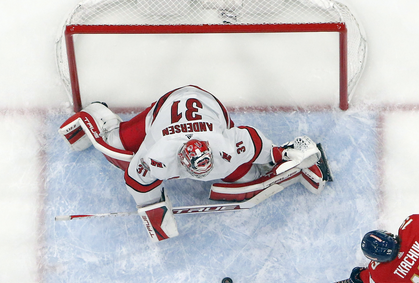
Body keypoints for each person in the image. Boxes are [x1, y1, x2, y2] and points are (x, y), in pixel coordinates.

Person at [58, 85, 330, 242]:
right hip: (166, 110)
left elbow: (255, 143)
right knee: (115, 149)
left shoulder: (226, 146)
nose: (207, 173)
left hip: (207, 105)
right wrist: (153, 209)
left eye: (208, 167)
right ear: (181, 162)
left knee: (247, 182)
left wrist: (283, 155)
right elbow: (135, 178)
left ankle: (272, 174)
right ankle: (96, 114)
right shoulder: (158, 155)